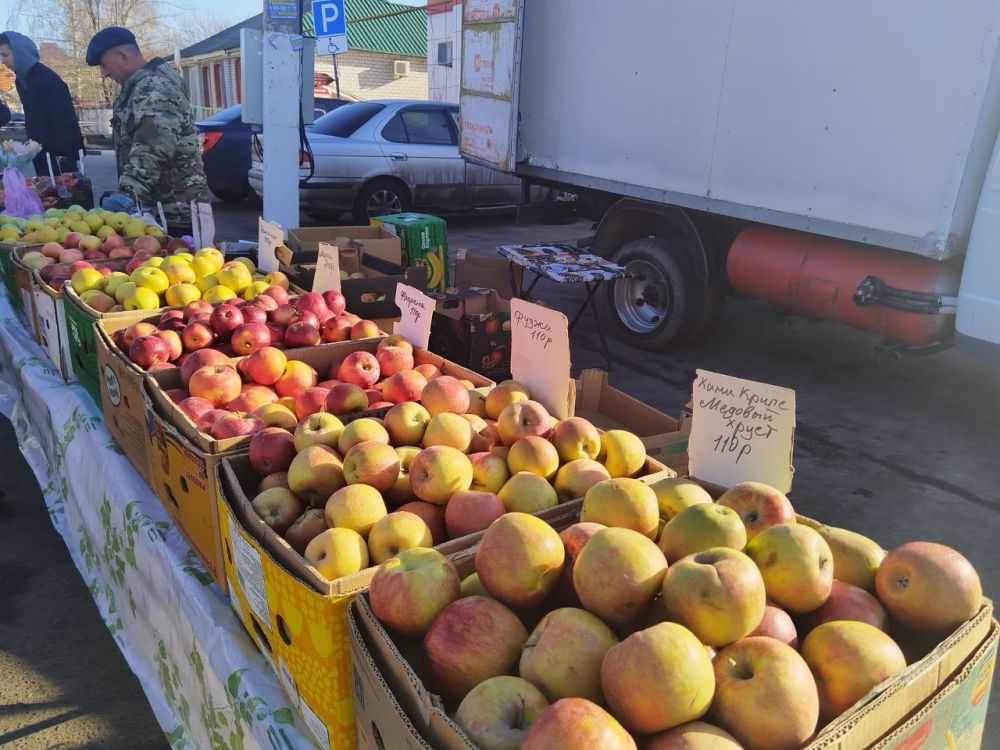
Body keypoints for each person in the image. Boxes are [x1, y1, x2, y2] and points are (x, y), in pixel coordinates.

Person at [86, 27, 210, 235]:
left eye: (105, 65)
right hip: (161, 209)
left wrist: (127, 194)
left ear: (123, 56)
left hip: (177, 212)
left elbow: (153, 146)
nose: (104, 74)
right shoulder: (143, 83)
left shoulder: (154, 87)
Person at [0, 32, 84, 175]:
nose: (2, 61)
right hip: (39, 152)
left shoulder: (47, 79)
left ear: (20, 53)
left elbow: (65, 120)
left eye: (5, 55)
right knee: (46, 194)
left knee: (68, 194)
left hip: (60, 155)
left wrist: (64, 157)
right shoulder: (21, 81)